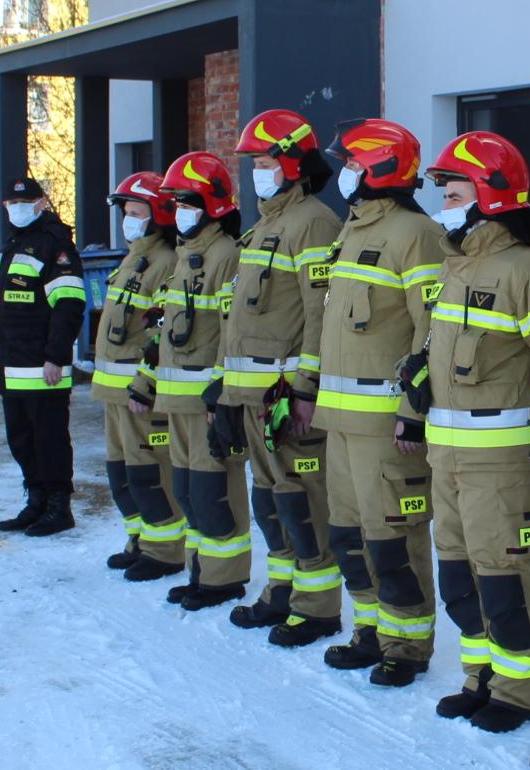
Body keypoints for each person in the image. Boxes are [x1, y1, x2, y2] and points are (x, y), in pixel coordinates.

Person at [415, 131, 530, 732]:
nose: (444, 200)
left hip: (500, 460)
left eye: (453, 190)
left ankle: (519, 692)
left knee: (506, 577)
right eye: (443, 191)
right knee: (459, 574)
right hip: (445, 452)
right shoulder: (455, 266)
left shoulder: (526, 270)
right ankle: (481, 677)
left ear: (492, 193)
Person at [313, 118, 446, 686]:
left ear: (379, 168)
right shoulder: (352, 230)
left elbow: (431, 329)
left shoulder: (415, 234)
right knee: (349, 533)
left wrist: (413, 414)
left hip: (385, 423)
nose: (344, 173)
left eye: (351, 164)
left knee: (394, 535)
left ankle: (407, 644)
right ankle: (369, 629)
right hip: (340, 420)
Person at [209, 108, 346, 647]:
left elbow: (319, 313)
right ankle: (283, 591)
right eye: (253, 164)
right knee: (269, 499)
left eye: (264, 162)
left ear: (292, 163)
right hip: (249, 396)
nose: (255, 172)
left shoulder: (312, 222)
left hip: (285, 399)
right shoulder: (262, 225)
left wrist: (307, 388)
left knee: (302, 500)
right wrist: (224, 389)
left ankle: (317, 608)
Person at [131, 151, 251, 611]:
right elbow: (164, 328)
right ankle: (202, 571)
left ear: (211, 204)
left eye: (186, 201)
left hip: (204, 399)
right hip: (176, 399)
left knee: (213, 491)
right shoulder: (186, 257)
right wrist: (147, 379)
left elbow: (230, 329)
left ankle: (224, 577)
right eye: (175, 201)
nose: (178, 210)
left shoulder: (226, 256)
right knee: (187, 491)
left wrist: (221, 390)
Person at [91, 172, 183, 581]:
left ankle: (164, 550)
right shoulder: (134, 256)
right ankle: (139, 540)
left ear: (157, 214)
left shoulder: (165, 262)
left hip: (138, 391)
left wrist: (146, 384)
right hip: (114, 392)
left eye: (135, 212)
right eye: (125, 212)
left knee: (149, 471)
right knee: (122, 472)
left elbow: (161, 332)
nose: (127, 219)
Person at [0, 177, 87, 537]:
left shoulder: (55, 246)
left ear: (41, 203)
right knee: (21, 438)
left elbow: (69, 305)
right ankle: (36, 502)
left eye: (26, 201)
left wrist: (56, 356)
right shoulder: (13, 245)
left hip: (42, 364)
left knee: (49, 439)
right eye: (11, 203)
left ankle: (59, 506)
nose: (17, 209)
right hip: (11, 361)